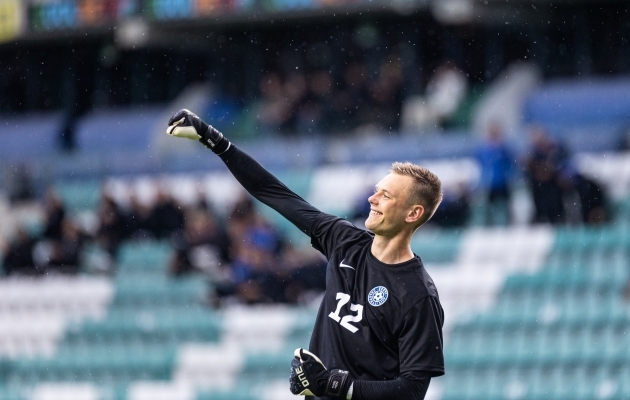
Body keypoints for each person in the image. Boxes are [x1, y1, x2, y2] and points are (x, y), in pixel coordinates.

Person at [166, 109, 445, 400]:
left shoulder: (418, 295)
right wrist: (215, 141)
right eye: (377, 190)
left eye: (386, 195)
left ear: (413, 213)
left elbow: (412, 390)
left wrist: (337, 385)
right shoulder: (344, 240)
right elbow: (275, 193)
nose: (372, 199)